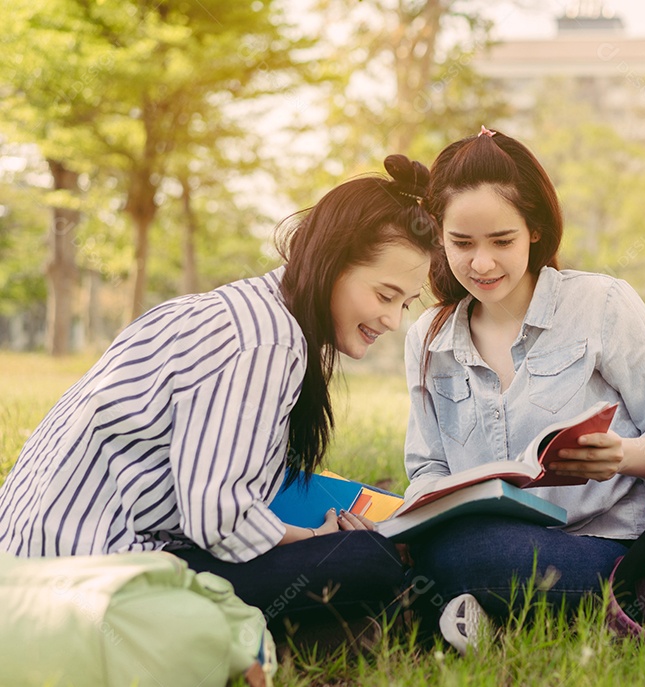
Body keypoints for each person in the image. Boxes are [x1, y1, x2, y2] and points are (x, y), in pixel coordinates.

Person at [0, 155, 439, 650]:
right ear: (331, 262)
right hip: (90, 575)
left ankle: (308, 631)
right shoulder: (266, 345)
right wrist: (321, 541)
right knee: (366, 559)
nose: (392, 320)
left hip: (31, 556)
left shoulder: (241, 311)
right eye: (384, 295)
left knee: (351, 547)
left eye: (405, 302)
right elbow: (218, 520)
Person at [402, 127, 645, 652]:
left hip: (605, 546)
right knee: (378, 546)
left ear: (535, 229)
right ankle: (479, 610)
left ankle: (466, 604)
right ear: (438, 236)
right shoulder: (428, 337)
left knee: (475, 558)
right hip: (484, 535)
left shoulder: (600, 303)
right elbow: (427, 468)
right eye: (462, 243)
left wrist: (624, 456)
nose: (482, 264)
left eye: (502, 241)